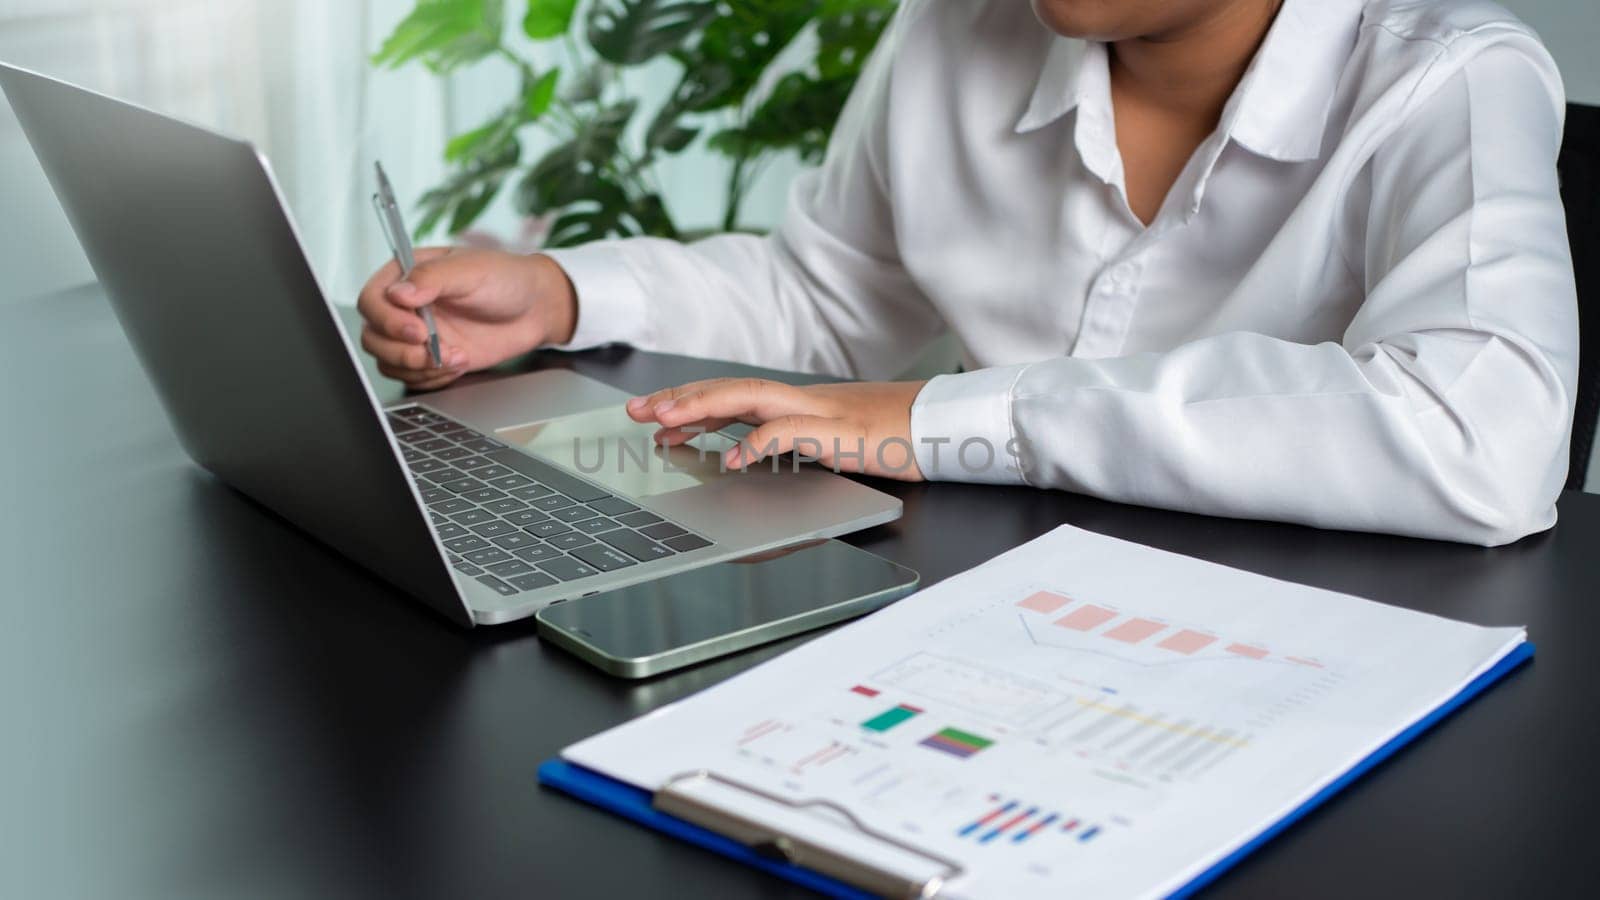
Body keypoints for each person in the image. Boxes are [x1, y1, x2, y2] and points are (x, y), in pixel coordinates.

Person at [358, 0, 1579, 547]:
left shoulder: (1446, 78)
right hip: (981, 623)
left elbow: (1480, 437)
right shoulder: (953, 26)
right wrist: (567, 293)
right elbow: (824, 302)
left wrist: (938, 417)